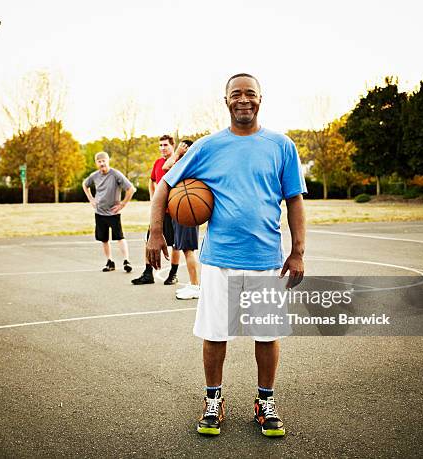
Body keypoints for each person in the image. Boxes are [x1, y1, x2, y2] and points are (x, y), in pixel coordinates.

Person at [147, 74, 307, 437]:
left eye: (250, 93)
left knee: (266, 335)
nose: (244, 100)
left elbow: (295, 200)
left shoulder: (281, 146)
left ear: (261, 99)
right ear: (226, 101)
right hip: (219, 259)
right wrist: (157, 232)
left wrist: (297, 252)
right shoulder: (207, 147)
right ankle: (213, 400)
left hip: (266, 258)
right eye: (237, 94)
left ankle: (265, 401)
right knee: (215, 333)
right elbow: (164, 186)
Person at [131, 135, 181, 286]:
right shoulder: (158, 163)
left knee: (176, 244)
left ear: (173, 146)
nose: (162, 148)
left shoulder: (178, 163)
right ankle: (148, 273)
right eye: (160, 145)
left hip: (175, 211)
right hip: (159, 212)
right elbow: (152, 180)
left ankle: (173, 273)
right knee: (149, 240)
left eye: (165, 145)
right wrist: (153, 199)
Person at [82, 151, 135, 272]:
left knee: (120, 237)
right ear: (96, 163)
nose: (102, 163)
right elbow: (85, 185)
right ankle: (109, 262)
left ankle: (126, 261)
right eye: (99, 161)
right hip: (99, 213)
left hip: (113, 213)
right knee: (104, 239)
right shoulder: (94, 176)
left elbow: (131, 189)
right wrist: (91, 199)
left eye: (103, 161)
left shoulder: (116, 174)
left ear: (108, 161)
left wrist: (123, 204)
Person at [161, 139, 201, 300]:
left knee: (188, 249)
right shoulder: (183, 163)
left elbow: (166, 167)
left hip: (188, 209)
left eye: (185, 148)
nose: (182, 149)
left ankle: (195, 286)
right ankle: (193, 284)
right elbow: (166, 167)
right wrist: (178, 154)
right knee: (185, 249)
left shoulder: (191, 165)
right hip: (181, 209)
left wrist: (178, 154)